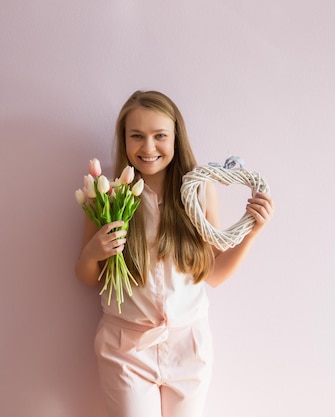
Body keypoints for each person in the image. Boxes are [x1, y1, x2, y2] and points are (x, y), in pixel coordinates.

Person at [75, 90, 274, 417]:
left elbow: (215, 274)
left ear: (176, 139)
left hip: (188, 345)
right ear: (123, 140)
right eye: (136, 136)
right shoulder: (106, 196)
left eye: (160, 136)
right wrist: (93, 251)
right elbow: (86, 276)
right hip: (126, 349)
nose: (148, 147)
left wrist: (253, 231)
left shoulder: (198, 191)